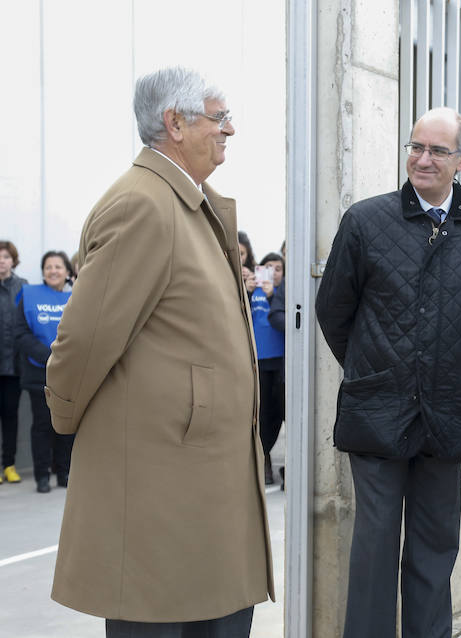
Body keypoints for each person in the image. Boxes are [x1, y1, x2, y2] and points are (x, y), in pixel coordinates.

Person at [43, 66, 273, 636]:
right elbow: (85, 337)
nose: (230, 131)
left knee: (211, 613)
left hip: (192, 471)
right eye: (219, 119)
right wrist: (66, 418)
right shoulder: (143, 204)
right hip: (158, 475)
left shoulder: (184, 200)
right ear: (174, 123)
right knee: (159, 614)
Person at [315, 106, 461, 637]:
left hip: (447, 411)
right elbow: (333, 311)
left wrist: (444, 367)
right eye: (415, 147)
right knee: (374, 547)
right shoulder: (365, 220)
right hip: (377, 409)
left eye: (437, 150)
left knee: (435, 548)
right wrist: (372, 368)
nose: (422, 159)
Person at [14, 251, 74, 493]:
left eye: (58, 267)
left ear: (67, 272)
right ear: (42, 271)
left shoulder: (76, 298)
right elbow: (20, 334)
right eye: (48, 267)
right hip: (38, 372)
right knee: (41, 425)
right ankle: (41, 476)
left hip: (69, 374)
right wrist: (50, 356)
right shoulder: (29, 295)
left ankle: (63, 472)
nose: (53, 271)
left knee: (66, 425)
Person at [252, 252, 286, 485]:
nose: (272, 273)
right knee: (262, 414)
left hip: (281, 360)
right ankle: (263, 459)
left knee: (281, 412)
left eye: (278, 268)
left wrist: (273, 294)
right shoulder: (253, 290)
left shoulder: (282, 292)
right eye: (268, 267)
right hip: (259, 360)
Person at [0, 240, 27, 484]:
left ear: (13, 260)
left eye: (6, 257)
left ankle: (9, 464)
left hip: (15, 368)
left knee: (11, 416)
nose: (2, 261)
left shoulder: (24, 287)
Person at [238, 230, 258, 295]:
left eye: (241, 254)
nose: (238, 257)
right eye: (235, 253)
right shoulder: (221, 270)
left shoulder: (255, 272)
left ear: (248, 254)